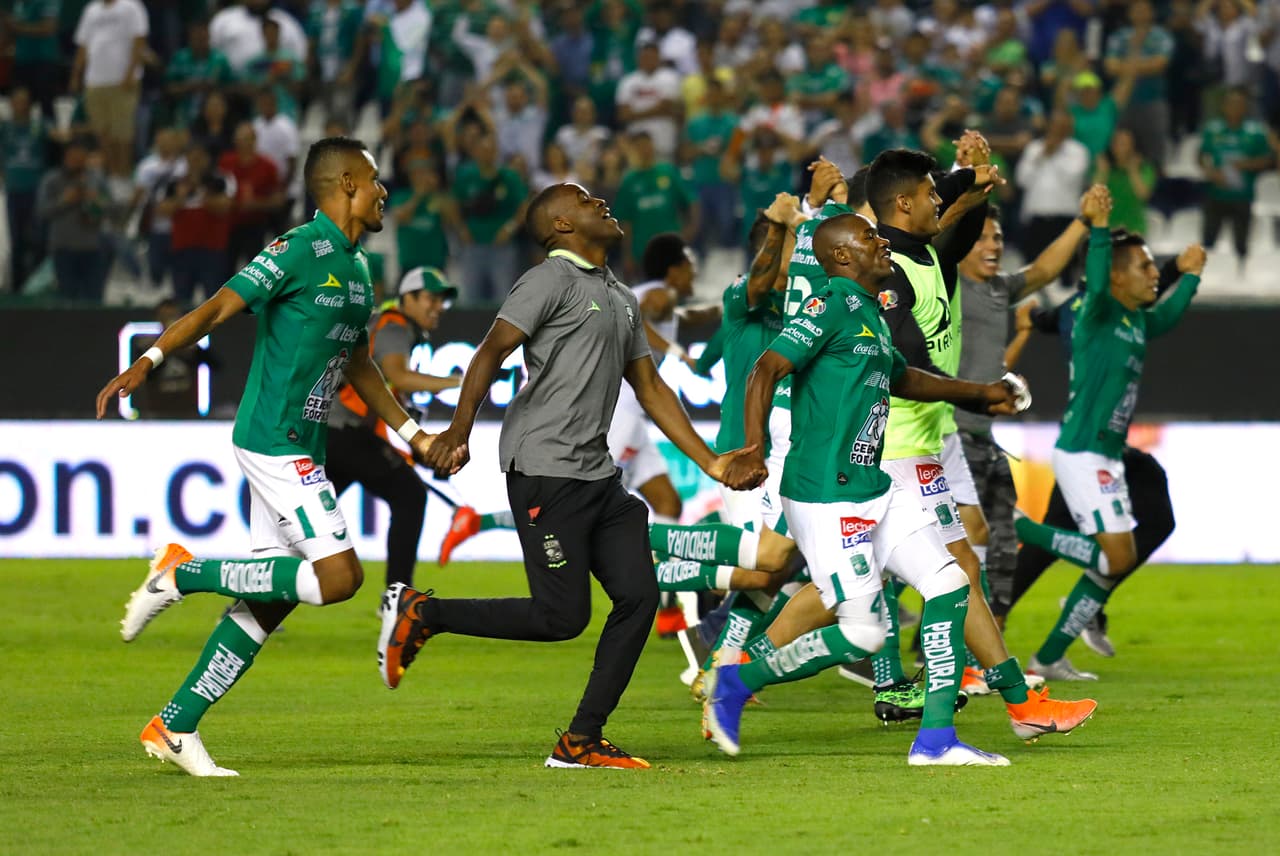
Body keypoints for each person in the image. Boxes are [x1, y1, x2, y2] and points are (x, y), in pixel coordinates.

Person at [384, 182, 765, 769]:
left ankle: (581, 739)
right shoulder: (548, 280)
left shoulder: (617, 294)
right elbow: (490, 352)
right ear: (561, 225)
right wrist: (459, 431)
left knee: (638, 598)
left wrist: (711, 462)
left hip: (598, 475)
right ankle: (422, 612)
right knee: (562, 618)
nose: (602, 204)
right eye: (587, 201)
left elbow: (651, 386)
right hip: (543, 469)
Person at [94, 137, 424, 778]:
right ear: (348, 183)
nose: (385, 191)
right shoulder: (299, 249)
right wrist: (148, 359)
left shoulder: (359, 270)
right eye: (377, 180)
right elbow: (219, 306)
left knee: (270, 601)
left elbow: (360, 367)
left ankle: (175, 724)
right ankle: (182, 572)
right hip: (272, 439)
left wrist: (416, 435)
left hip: (306, 445)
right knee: (340, 580)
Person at [704, 211, 1023, 766]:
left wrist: (979, 393)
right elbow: (764, 368)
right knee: (865, 635)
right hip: (827, 494)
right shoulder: (829, 305)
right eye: (870, 238)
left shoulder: (870, 312)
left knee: (948, 584)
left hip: (876, 485)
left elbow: (903, 378)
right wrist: (753, 448)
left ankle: (936, 741)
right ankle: (736, 682)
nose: (883, 244)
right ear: (844, 257)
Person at [863, 147, 1095, 730]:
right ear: (903, 202)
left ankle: (1016, 703)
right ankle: (738, 672)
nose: (941, 200)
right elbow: (907, 370)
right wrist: (983, 392)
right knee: (840, 597)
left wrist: (980, 182)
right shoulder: (884, 271)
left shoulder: (927, 256)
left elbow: (958, 227)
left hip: (923, 440)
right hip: (892, 447)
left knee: (961, 561)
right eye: (931, 192)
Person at [1014, 203, 1206, 681]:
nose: (1152, 273)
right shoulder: (1096, 312)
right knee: (1116, 558)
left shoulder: (1135, 321)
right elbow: (1095, 282)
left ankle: (1049, 656)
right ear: (1117, 277)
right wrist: (1098, 229)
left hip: (1105, 456)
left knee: (1111, 566)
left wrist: (1190, 279)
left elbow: (1168, 318)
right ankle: (1020, 527)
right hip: (1083, 452)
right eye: (1144, 266)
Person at [953, 194, 1095, 619]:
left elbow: (1046, 269)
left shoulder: (1000, 289)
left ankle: (986, 651)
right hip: (949, 439)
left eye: (997, 237)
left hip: (983, 438)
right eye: (981, 238)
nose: (993, 246)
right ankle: (930, 649)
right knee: (951, 548)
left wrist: (1083, 219)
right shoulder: (944, 285)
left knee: (1001, 549)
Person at [327, 266, 462, 589]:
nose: (437, 307)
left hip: (334, 433)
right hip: (345, 433)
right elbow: (398, 376)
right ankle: (398, 598)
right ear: (407, 298)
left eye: (442, 300)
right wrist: (463, 381)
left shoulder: (385, 323)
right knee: (410, 496)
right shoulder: (394, 327)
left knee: (310, 525)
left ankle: (248, 603)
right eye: (430, 298)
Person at [1198, 87, 1274, 274]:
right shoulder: (1213, 130)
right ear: (1224, 106)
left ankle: (1241, 276)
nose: (1235, 107)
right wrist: (1210, 172)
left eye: (1239, 104)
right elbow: (1201, 156)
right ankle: (1204, 279)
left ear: (1245, 107)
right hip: (1216, 194)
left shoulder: (1255, 132)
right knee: (1208, 241)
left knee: (1241, 244)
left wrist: (1246, 165)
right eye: (1231, 103)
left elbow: (1268, 160)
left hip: (1242, 196)